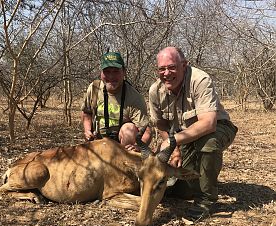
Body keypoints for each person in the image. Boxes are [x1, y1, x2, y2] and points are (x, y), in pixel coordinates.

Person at [149, 46, 238, 217]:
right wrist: (174, 150)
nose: (166, 73)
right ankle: (202, 181)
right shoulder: (155, 90)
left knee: (208, 142)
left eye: (172, 67)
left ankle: (206, 200)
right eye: (162, 69)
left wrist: (171, 141)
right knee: (181, 190)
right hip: (185, 136)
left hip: (218, 128)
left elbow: (208, 124)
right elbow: (160, 125)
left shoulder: (200, 80)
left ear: (184, 65)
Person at [81, 51, 151, 151]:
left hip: (122, 145)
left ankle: (126, 162)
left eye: (115, 71)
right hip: (98, 141)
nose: (111, 76)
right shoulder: (94, 88)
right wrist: (87, 130)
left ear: (124, 72)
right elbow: (86, 112)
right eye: (107, 72)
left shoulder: (134, 97)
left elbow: (146, 130)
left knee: (129, 130)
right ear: (101, 73)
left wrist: (138, 146)